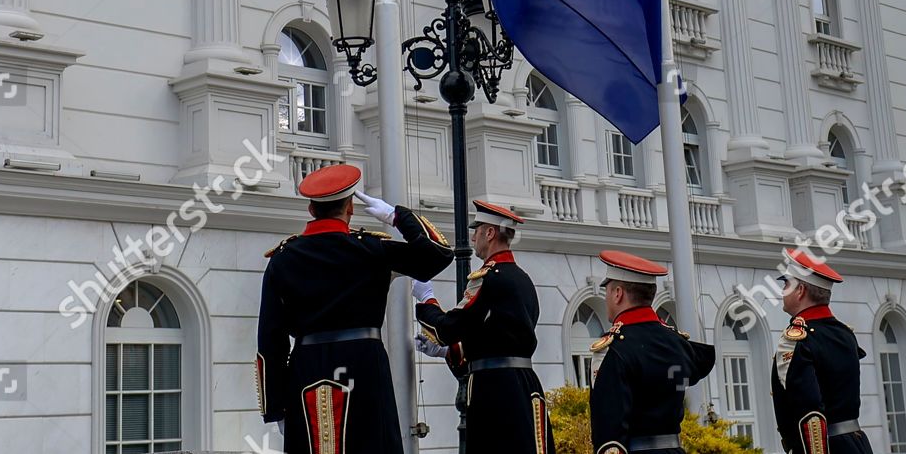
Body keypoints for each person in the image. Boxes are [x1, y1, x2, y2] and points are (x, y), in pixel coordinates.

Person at [255, 163, 452, 454]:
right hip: (364, 365)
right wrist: (396, 216)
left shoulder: (283, 258)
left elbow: (271, 340)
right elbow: (438, 254)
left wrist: (276, 408)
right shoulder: (372, 250)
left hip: (307, 370)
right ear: (350, 207)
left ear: (311, 209)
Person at [412, 200, 555, 453]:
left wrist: (427, 301)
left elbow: (450, 328)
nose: (473, 236)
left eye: (477, 230)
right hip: (525, 384)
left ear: (489, 233)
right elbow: (496, 338)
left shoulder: (488, 277)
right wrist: (447, 352)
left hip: (495, 387)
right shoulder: (523, 279)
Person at [589, 250, 715, 454]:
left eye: (608, 292)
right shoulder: (676, 342)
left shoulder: (613, 349)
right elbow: (702, 361)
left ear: (618, 294)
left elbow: (608, 431)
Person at [769, 248, 874, 454]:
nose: (782, 291)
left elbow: (809, 413)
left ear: (800, 291)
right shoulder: (844, 333)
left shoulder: (797, 339)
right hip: (857, 445)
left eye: (786, 284)